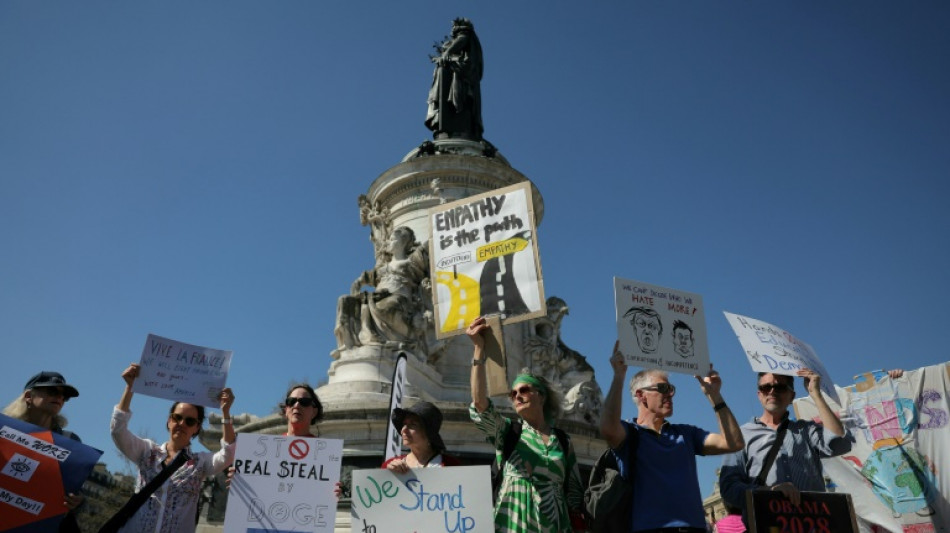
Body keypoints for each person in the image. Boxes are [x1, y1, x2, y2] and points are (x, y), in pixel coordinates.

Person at [600, 342, 744, 532]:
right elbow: (608, 429)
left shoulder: (686, 434)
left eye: (671, 389)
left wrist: (715, 396)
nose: (670, 394)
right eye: (662, 388)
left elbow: (733, 442)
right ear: (641, 395)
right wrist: (619, 376)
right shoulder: (630, 433)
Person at [467, 317, 584, 533]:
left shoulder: (563, 441)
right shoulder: (507, 432)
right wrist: (478, 350)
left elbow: (574, 492)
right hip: (512, 523)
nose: (517, 396)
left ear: (541, 396)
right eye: (513, 394)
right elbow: (480, 404)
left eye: (524, 390)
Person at [111, 363, 235, 533]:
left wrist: (226, 413)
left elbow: (228, 453)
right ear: (169, 421)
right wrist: (130, 387)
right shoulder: (147, 451)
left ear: (197, 428)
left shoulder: (200, 463)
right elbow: (118, 430)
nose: (182, 424)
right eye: (177, 417)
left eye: (189, 421)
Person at [718, 369, 854, 520]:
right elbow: (728, 487)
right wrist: (768, 492)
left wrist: (816, 395)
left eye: (780, 387)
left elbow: (839, 443)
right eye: (766, 387)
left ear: (792, 396)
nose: (772, 392)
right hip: (767, 523)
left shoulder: (806, 430)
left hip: (812, 523)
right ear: (759, 394)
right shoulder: (741, 435)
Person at [3, 371, 85, 532]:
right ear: (28, 396)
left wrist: (78, 502)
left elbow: (74, 490)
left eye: (65, 396)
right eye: (52, 391)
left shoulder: (71, 442)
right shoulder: (3, 432)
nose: (59, 398)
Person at [425, 17, 483, 140]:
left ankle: (453, 120)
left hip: (462, 77)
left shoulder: (465, 35)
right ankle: (446, 120)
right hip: (458, 77)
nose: (452, 31)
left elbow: (461, 40)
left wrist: (446, 53)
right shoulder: (468, 43)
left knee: (459, 95)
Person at [384, 401, 460, 472]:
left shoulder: (451, 465)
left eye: (412, 425)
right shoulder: (391, 465)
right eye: (404, 424)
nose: (403, 430)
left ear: (428, 432)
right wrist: (389, 475)